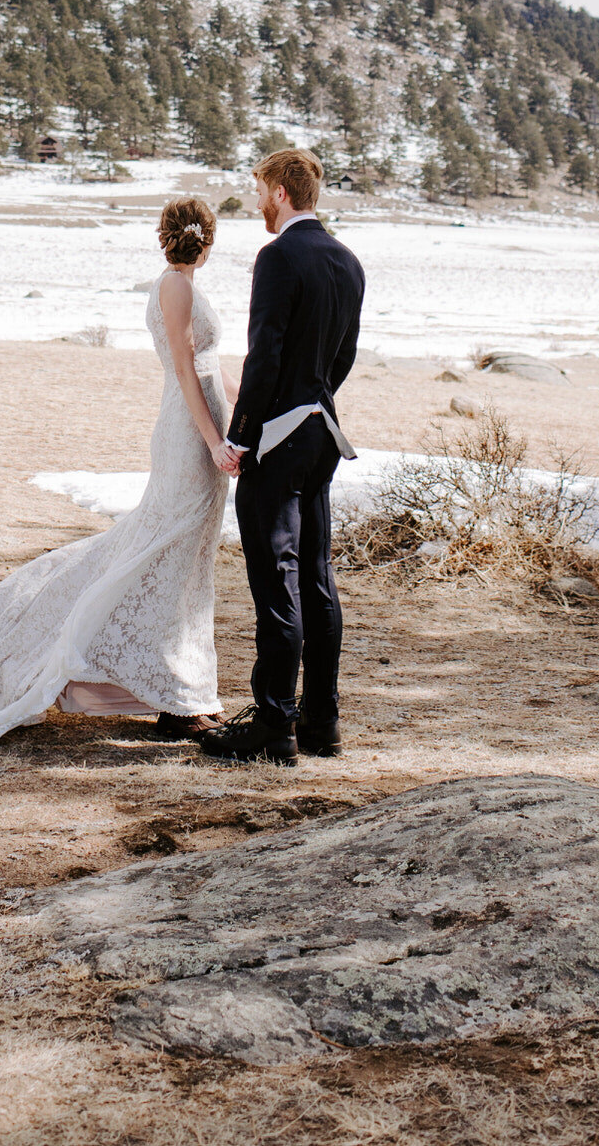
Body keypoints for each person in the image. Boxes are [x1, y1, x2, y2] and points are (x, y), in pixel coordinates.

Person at [0, 197, 241, 743]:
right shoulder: (175, 285)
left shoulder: (188, 287)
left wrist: (246, 417)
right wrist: (215, 441)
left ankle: (183, 694)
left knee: (187, 562)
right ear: (207, 240)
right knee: (166, 555)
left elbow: (211, 368)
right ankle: (171, 697)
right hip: (188, 435)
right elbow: (183, 368)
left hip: (205, 430)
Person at [199, 148, 365, 766]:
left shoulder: (277, 257)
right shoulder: (347, 260)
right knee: (318, 578)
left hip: (278, 437)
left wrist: (241, 435)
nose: (258, 204)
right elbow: (344, 355)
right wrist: (314, 402)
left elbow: (262, 355)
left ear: (280, 190)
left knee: (278, 581)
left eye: (261, 190)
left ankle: (274, 724)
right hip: (323, 431)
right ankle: (323, 722)